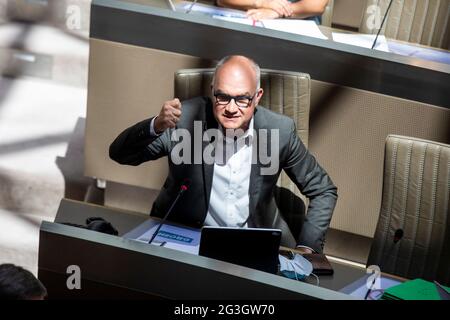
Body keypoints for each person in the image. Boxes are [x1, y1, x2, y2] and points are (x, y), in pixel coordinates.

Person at [109, 55, 337, 253]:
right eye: (223, 97)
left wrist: (307, 249)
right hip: (187, 240)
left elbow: (323, 189)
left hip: (252, 246)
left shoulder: (280, 131)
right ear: (212, 92)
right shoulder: (186, 122)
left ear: (257, 97)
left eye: (242, 99)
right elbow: (121, 154)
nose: (230, 107)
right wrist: (156, 125)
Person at [216, 0, 329, 23]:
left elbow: (316, 5)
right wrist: (261, 3)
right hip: (246, 20)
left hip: (298, 27)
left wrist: (277, 12)